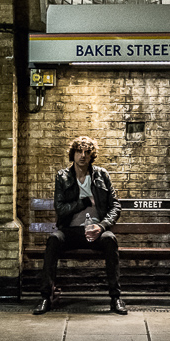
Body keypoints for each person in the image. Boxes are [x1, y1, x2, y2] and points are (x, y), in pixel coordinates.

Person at [34, 135, 127, 316]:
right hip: (70, 232)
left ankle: (116, 298)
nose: (83, 155)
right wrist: (83, 203)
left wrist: (101, 226)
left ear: (92, 156)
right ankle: (45, 297)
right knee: (53, 240)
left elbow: (115, 206)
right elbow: (60, 209)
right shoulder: (63, 176)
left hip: (96, 232)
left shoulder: (102, 175)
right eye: (79, 151)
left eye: (87, 152)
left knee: (110, 240)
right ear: (73, 154)